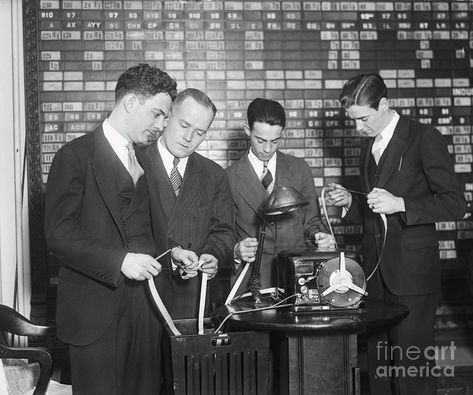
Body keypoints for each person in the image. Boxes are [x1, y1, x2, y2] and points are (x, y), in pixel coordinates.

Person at [44, 64, 194, 394]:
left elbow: (145, 231)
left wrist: (173, 251)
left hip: (146, 312)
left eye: (165, 118)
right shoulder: (74, 156)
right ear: (129, 103)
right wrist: (120, 261)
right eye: (157, 114)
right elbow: (59, 234)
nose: (161, 125)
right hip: (93, 316)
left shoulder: (148, 162)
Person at [326, 73, 467, 395]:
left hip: (413, 278)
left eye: (363, 118)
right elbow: (377, 211)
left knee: (410, 371)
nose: (358, 127)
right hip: (375, 275)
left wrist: (400, 203)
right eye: (354, 120)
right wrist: (352, 201)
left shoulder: (423, 137)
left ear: (385, 104)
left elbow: (455, 204)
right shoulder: (368, 145)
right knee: (379, 368)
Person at [138, 88, 235, 320]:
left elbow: (223, 231)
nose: (189, 137)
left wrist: (213, 257)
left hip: (191, 298)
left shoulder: (214, 175)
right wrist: (172, 252)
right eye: (184, 125)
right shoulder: (135, 161)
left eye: (199, 132)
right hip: (141, 292)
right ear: (167, 117)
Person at [226, 98, 335, 295]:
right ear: (247, 130)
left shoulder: (300, 169)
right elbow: (223, 234)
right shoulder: (228, 177)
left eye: (275, 141)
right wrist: (235, 250)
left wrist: (320, 237)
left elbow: (311, 222)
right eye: (260, 140)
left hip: (296, 280)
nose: (268, 149)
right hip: (250, 284)